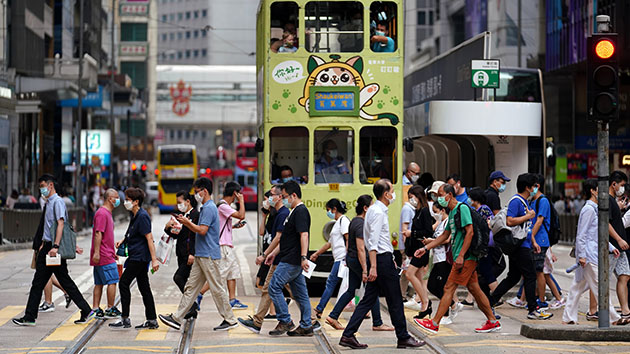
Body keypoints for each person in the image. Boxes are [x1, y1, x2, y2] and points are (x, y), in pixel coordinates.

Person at [339, 179, 424, 349]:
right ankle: (403, 337)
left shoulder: (374, 210)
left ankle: (348, 335)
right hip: (381, 260)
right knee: (395, 300)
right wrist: (374, 267)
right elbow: (373, 242)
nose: (394, 194)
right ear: (386, 194)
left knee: (368, 299)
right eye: (392, 190)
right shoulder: (377, 212)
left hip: (381, 259)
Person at [414, 184, 500, 334]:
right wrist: (425, 248)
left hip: (465, 257)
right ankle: (492, 321)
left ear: (449, 195)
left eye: (440, 195)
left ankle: (434, 323)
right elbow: (444, 236)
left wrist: (460, 255)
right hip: (462, 257)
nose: (438, 198)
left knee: (448, 288)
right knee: (475, 289)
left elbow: (470, 232)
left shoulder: (462, 208)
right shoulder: (453, 212)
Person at [13, 174, 93, 326]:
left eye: (43, 186)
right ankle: (86, 310)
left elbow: (61, 224)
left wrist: (56, 246)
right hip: (49, 246)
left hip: (52, 248)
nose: (41, 189)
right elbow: (51, 227)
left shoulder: (57, 202)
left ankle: (30, 316)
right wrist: (46, 242)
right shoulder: (49, 202)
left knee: (39, 282)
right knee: (63, 281)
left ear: (50, 185)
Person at [159, 178, 238, 332]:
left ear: (204, 191)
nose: (196, 195)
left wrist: (187, 223)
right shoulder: (205, 207)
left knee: (217, 288)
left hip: (208, 255)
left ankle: (230, 319)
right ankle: (176, 318)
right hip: (201, 255)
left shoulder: (209, 208)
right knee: (191, 288)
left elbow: (202, 230)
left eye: (197, 192)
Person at [487, 173, 553, 320]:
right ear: (527, 187)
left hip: (523, 244)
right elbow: (510, 221)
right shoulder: (516, 201)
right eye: (534, 186)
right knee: (530, 276)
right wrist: (528, 216)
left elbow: (525, 228)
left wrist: (533, 242)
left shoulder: (524, 201)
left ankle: (490, 302)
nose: (536, 189)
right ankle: (532, 309)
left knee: (513, 277)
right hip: (519, 245)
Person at [562, 179, 627, 325]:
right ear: (592, 190)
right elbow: (582, 234)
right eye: (599, 189)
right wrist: (582, 256)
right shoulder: (589, 209)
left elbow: (598, 233)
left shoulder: (594, 209)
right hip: (589, 256)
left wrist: (611, 247)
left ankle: (568, 318)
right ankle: (614, 317)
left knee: (577, 287)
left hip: (590, 254)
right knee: (600, 286)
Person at [326, 195, 394, 331]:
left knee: (352, 290)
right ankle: (378, 322)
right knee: (372, 289)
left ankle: (333, 316)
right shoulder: (360, 224)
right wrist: (365, 269)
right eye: (371, 206)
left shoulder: (354, 221)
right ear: (365, 208)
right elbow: (361, 248)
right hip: (358, 261)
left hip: (351, 259)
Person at [238, 185, 293, 334]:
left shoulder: (283, 214)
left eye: (271, 195)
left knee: (293, 292)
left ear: (279, 196)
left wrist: (265, 255)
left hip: (281, 259)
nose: (269, 198)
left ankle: (309, 320)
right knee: (269, 289)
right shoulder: (277, 214)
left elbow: (279, 238)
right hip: (276, 259)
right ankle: (257, 322)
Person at [265, 181, 314, 336]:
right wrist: (274, 253)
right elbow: (287, 238)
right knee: (301, 294)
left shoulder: (300, 211)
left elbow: (303, 235)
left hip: (292, 259)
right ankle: (306, 325)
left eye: (285, 196)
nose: (283, 199)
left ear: (294, 195)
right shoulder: (293, 212)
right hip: (289, 256)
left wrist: (304, 257)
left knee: (273, 286)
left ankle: (285, 320)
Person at [109, 187, 160, 329]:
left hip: (139, 257)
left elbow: (149, 238)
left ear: (136, 202)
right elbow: (131, 233)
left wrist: (154, 259)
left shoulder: (143, 216)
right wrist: (123, 241)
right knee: (144, 288)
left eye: (128, 200)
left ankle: (125, 318)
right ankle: (151, 319)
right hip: (138, 256)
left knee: (124, 283)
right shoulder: (135, 215)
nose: (126, 202)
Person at [422, 202, 463, 325]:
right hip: (437, 259)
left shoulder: (448, 222)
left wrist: (431, 241)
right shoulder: (441, 224)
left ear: (443, 210)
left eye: (436, 211)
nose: (435, 214)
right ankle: (451, 307)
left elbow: (447, 239)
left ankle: (450, 309)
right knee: (435, 286)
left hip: (444, 259)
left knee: (438, 287)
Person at [310, 199, 350, 319]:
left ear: (334, 209)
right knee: (353, 286)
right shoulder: (336, 223)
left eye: (328, 210)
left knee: (331, 283)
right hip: (339, 258)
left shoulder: (343, 221)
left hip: (342, 258)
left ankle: (320, 308)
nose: (328, 213)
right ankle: (320, 308)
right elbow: (329, 244)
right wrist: (316, 254)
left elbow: (348, 239)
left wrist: (347, 257)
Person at [401, 186, 433, 319]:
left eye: (411, 197)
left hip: (422, 248)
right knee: (419, 277)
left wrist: (411, 233)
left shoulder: (425, 211)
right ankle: (425, 306)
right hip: (416, 249)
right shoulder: (418, 211)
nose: (410, 200)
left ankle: (425, 302)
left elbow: (428, 232)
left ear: (418, 196)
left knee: (410, 274)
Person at [90, 189, 122, 319]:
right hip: (103, 254)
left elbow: (107, 235)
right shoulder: (103, 213)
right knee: (113, 280)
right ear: (110, 199)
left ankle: (96, 308)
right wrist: (97, 253)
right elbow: (99, 233)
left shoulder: (106, 213)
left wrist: (112, 251)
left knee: (99, 282)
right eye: (117, 197)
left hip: (105, 252)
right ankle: (110, 307)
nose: (119, 200)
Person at [216, 181, 247, 309]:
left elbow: (222, 225)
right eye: (238, 193)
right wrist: (242, 201)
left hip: (227, 245)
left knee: (232, 273)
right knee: (219, 276)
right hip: (223, 246)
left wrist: (233, 227)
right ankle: (198, 295)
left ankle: (232, 299)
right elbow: (241, 215)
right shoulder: (223, 206)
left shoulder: (225, 207)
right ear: (235, 193)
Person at [164, 191, 198, 296]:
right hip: (181, 252)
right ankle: (190, 308)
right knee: (184, 280)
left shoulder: (195, 215)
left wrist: (192, 253)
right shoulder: (181, 216)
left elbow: (195, 236)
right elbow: (177, 235)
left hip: (189, 254)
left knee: (178, 277)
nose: (178, 205)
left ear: (188, 201)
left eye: (180, 202)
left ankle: (192, 304)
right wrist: (168, 227)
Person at [608, 170, 630, 319]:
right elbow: (606, 224)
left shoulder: (613, 201)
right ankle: (597, 311)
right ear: (613, 184)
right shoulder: (608, 201)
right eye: (621, 185)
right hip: (612, 247)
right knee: (600, 280)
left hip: (619, 248)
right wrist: (619, 239)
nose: (622, 189)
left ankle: (625, 310)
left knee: (625, 276)